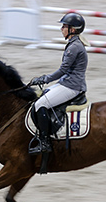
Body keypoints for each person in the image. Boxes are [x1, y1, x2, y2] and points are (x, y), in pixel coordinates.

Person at [31, 13, 88, 154]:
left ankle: (45, 142)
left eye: (64, 26)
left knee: (40, 104)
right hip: (68, 82)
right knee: (41, 95)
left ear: (73, 30)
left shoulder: (74, 47)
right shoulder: (73, 43)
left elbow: (63, 70)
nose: (61, 29)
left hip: (72, 86)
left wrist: (45, 79)